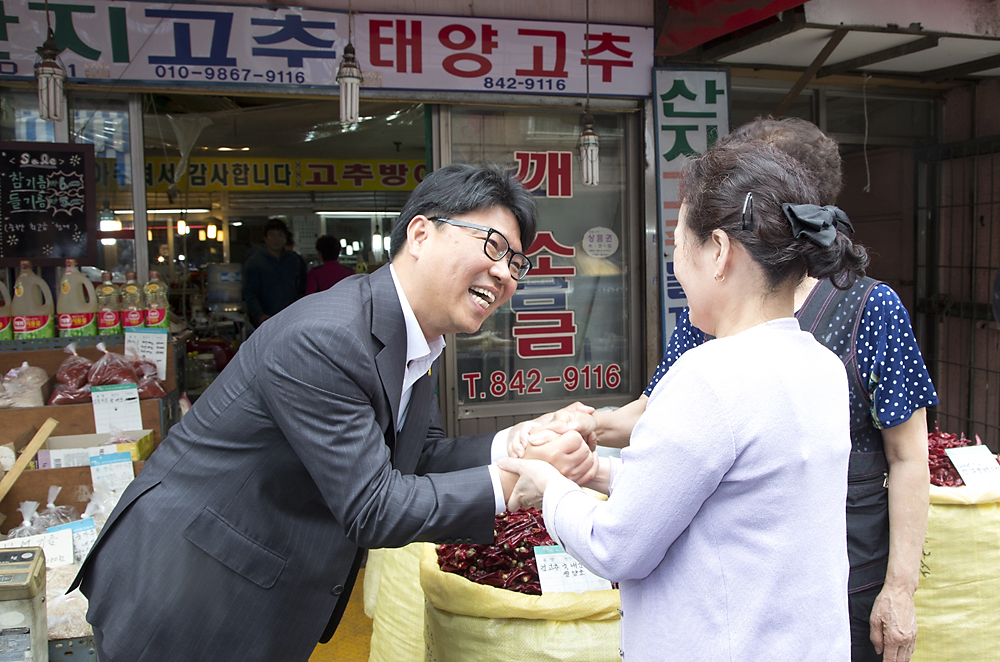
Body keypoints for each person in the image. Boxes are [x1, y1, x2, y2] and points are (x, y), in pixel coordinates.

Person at [70, 163, 598, 662]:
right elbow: (373, 506)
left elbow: (419, 455)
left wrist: (520, 442)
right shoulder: (327, 337)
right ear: (421, 235)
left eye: (517, 263)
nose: (504, 274)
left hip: (251, 577)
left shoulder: (414, 336)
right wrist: (518, 483)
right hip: (189, 583)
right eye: (493, 246)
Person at [529, 117, 934, 662]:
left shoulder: (709, 375)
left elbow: (615, 546)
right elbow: (727, 486)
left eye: (678, 245)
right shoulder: (820, 366)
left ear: (719, 251)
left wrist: (548, 485)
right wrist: (599, 468)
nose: (676, 265)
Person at [243, 216, 308, 327]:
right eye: (272, 235)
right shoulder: (254, 262)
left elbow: (301, 289)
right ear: (265, 238)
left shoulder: (294, 260)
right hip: (265, 321)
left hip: (291, 319)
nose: (276, 239)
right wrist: (260, 315)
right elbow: (250, 294)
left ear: (285, 238)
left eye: (280, 235)